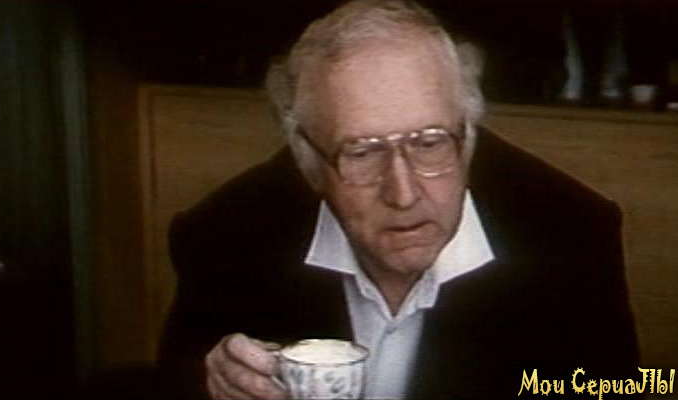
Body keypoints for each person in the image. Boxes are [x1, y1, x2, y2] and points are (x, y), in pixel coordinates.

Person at [158, 1, 640, 399]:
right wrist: (209, 385)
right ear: (308, 160)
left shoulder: (573, 232)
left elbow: (618, 390)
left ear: (468, 135)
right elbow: (173, 383)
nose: (404, 194)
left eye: (430, 143)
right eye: (362, 153)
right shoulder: (224, 235)